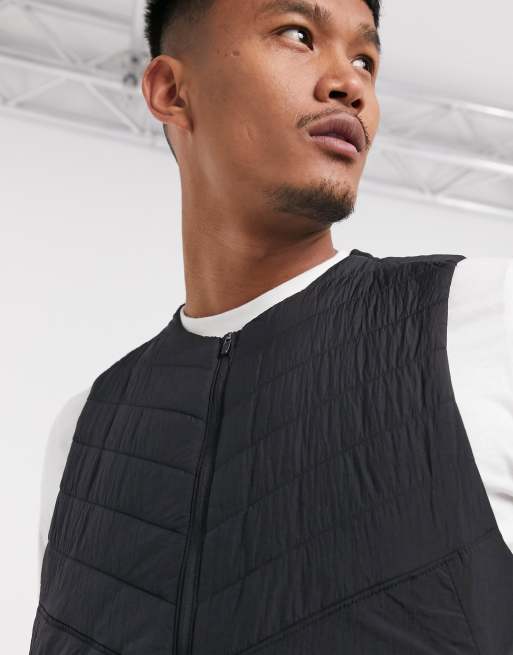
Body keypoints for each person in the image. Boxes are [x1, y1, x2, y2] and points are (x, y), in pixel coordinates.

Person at [29, 0, 513, 653]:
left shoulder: (483, 317)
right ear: (172, 91)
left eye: (365, 59)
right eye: (297, 34)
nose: (350, 84)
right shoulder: (83, 431)